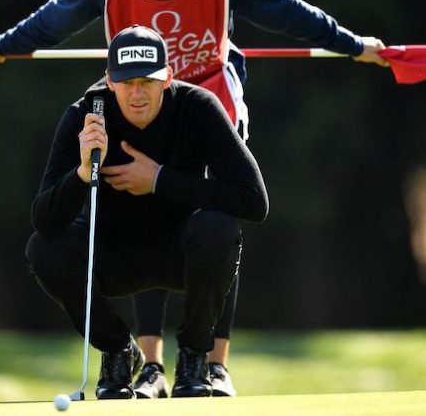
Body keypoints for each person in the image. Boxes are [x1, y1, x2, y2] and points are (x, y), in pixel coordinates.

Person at [0, 0, 387, 397]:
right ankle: (147, 367)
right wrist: (5, 44)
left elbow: (282, 8)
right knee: (139, 204)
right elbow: (64, 13)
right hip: (133, 96)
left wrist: (351, 43)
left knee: (208, 215)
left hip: (206, 98)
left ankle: (210, 363)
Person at [25, 25, 268, 399]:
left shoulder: (198, 107)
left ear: (167, 77)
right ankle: (119, 350)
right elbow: (44, 221)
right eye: (126, 83)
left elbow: (254, 200)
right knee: (43, 249)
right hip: (113, 254)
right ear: (109, 80)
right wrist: (81, 172)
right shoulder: (85, 115)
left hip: (181, 252)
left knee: (218, 227)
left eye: (147, 82)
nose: (137, 94)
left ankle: (193, 356)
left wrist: (159, 179)